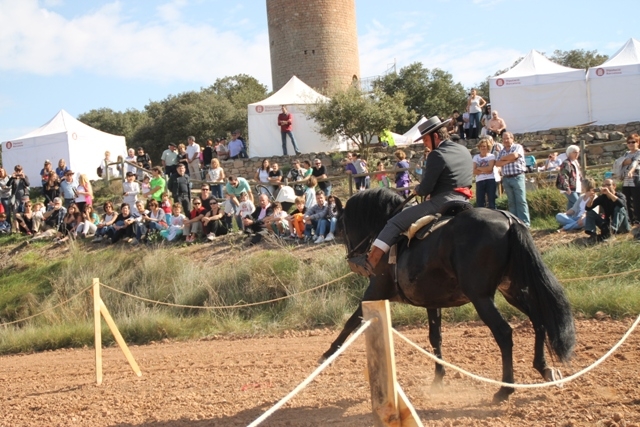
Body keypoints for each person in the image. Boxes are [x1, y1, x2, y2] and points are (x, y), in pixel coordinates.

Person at [348, 116, 473, 277]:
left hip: (441, 202)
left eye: (426, 140)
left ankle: (370, 263)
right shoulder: (463, 150)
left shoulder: (437, 154)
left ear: (435, 136)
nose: (425, 144)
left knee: (394, 223)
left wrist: (418, 190)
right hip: (464, 201)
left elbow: (426, 187)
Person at [495, 132, 531, 227]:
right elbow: (498, 163)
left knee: (521, 200)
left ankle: (525, 223)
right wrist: (509, 159)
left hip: (517, 176)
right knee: (511, 201)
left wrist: (504, 160)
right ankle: (515, 222)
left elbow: (515, 155)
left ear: (512, 138)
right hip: (507, 178)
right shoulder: (502, 151)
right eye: (504, 139)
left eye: (507, 138)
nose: (505, 140)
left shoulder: (517, 147)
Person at [585, 178, 630, 243]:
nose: (606, 187)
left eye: (608, 185)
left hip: (622, 226)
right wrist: (591, 199)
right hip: (608, 224)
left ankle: (612, 233)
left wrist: (609, 193)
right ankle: (593, 235)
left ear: (614, 186)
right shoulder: (602, 197)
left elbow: (621, 204)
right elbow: (588, 208)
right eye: (604, 185)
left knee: (620, 208)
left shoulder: (621, 195)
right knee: (590, 212)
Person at [619, 134, 640, 224]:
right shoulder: (626, 154)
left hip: (635, 178)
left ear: (638, 142)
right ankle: (630, 220)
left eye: (633, 142)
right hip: (626, 180)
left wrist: (631, 170)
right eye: (629, 142)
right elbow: (620, 163)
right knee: (626, 200)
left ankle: (638, 220)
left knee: (637, 200)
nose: (631, 144)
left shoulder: (639, 153)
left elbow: (635, 162)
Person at [556, 145, 583, 210]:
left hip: (577, 187)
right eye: (575, 152)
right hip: (570, 188)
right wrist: (566, 187)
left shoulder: (576, 162)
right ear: (569, 153)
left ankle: (567, 218)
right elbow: (563, 175)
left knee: (571, 205)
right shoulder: (566, 163)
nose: (577, 154)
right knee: (578, 203)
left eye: (578, 152)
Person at [473, 137, 497, 209]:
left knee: (491, 202)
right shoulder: (476, 157)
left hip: (490, 180)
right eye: (481, 146)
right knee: (480, 202)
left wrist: (479, 168)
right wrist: (484, 169)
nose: (483, 148)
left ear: (488, 147)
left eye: (484, 146)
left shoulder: (491, 156)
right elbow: (474, 171)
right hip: (480, 181)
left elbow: (490, 169)